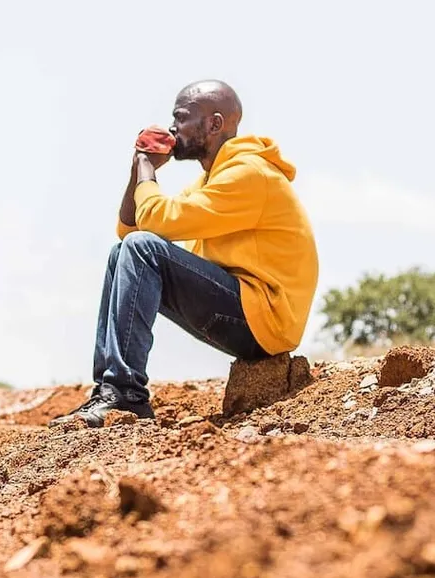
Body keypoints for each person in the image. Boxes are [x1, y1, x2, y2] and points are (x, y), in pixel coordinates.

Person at [50, 80, 319, 428]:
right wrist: (139, 168)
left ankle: (126, 395)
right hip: (246, 312)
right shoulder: (213, 178)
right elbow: (130, 229)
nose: (173, 127)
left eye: (182, 118)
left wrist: (148, 167)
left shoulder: (249, 174)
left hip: (265, 319)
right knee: (123, 254)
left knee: (140, 251)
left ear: (214, 124)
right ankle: (108, 392)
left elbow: (152, 225)